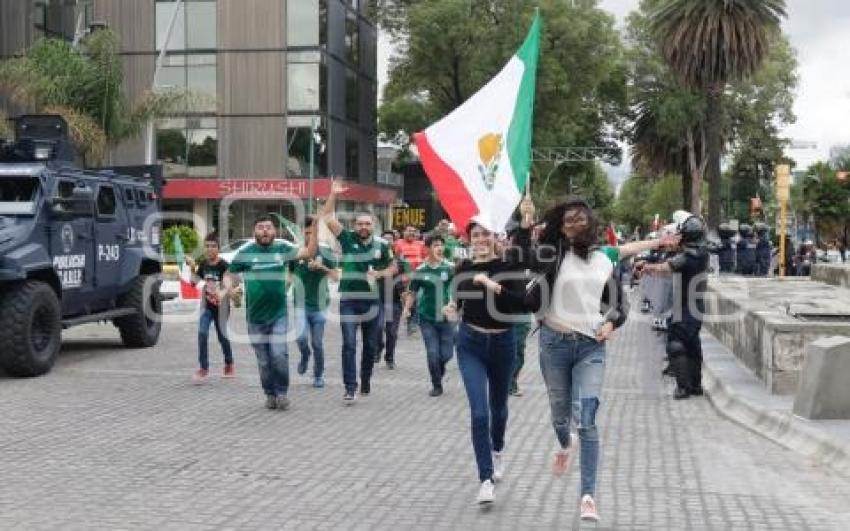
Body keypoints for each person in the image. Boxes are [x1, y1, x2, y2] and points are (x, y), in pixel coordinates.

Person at [524, 197, 628, 523]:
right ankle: (564, 443)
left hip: (590, 347)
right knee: (560, 417)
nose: (575, 224)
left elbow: (618, 304)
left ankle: (587, 496)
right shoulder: (551, 254)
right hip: (553, 344)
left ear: (591, 223)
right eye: (568, 220)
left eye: (581, 219)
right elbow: (522, 248)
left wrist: (612, 322)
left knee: (587, 419)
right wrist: (525, 223)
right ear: (561, 226)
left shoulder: (604, 260)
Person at [448, 198, 535, 505]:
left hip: (503, 343)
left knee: (498, 409)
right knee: (479, 412)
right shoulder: (463, 268)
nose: (481, 239)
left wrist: (526, 221)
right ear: (469, 241)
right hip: (470, 344)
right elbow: (458, 302)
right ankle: (485, 478)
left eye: (486, 234)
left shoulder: (507, 266)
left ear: (495, 238)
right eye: (475, 235)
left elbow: (520, 303)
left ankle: (497, 450)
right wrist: (450, 308)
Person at [223, 187, 336, 410]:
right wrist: (230, 289)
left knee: (278, 355)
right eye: (260, 228)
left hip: (278, 315)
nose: (265, 231)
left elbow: (308, 252)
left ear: (274, 231)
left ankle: (282, 392)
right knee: (264, 362)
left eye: (268, 227)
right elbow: (229, 274)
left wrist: (313, 227)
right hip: (254, 317)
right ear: (254, 231)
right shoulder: (245, 252)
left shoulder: (283, 248)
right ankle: (270, 393)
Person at [324, 199, 397, 403]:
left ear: (373, 225)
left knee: (370, 345)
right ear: (354, 225)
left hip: (372, 302)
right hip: (349, 300)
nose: (363, 227)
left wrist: (380, 273)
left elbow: (393, 268)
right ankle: (350, 387)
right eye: (360, 224)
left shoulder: (383, 245)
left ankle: (365, 379)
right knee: (348, 344)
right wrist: (332, 194)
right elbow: (328, 218)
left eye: (367, 223)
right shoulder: (347, 239)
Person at [641, 215, 709, 400]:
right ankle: (696, 385)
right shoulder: (703, 252)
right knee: (693, 345)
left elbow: (666, 267)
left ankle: (684, 387)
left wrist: (647, 267)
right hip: (696, 305)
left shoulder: (687, 258)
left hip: (684, 306)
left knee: (676, 344)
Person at [290, 215, 340, 388]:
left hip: (320, 305)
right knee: (301, 338)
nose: (309, 236)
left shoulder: (325, 252)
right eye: (306, 233)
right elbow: (288, 274)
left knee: (317, 343)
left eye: (312, 233)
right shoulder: (296, 252)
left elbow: (336, 276)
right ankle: (304, 355)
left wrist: (322, 267)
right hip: (300, 304)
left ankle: (318, 375)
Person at [404, 234, 454, 396]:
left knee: (446, 354)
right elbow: (412, 292)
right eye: (436, 245)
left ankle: (439, 368)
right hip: (427, 317)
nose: (440, 248)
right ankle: (437, 384)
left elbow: (457, 288)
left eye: (441, 245)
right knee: (433, 352)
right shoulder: (421, 270)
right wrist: (406, 309)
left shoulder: (449, 267)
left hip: (446, 318)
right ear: (427, 249)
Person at [186, 232, 234, 383]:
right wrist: (192, 268)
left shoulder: (224, 265)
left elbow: (232, 284)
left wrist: (225, 292)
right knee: (202, 333)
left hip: (221, 308)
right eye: (207, 246)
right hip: (206, 306)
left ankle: (229, 362)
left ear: (218, 248)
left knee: (222, 337)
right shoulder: (204, 265)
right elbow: (193, 283)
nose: (209, 249)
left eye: (213, 246)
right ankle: (203, 368)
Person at [376, 230, 411, 369]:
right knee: (377, 328)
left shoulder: (400, 261)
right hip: (376, 299)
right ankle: (378, 348)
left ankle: (389, 357)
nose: (387, 242)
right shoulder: (375, 259)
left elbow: (409, 276)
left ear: (394, 241)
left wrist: (404, 280)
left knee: (391, 331)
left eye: (389, 239)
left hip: (394, 300)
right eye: (384, 239)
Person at [393, 225, 425, 335]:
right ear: (403, 232)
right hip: (403, 277)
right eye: (409, 231)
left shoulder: (421, 244)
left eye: (414, 231)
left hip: (418, 277)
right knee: (405, 300)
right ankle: (400, 321)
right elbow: (394, 260)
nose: (411, 233)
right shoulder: (397, 243)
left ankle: (412, 323)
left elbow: (425, 259)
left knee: (416, 300)